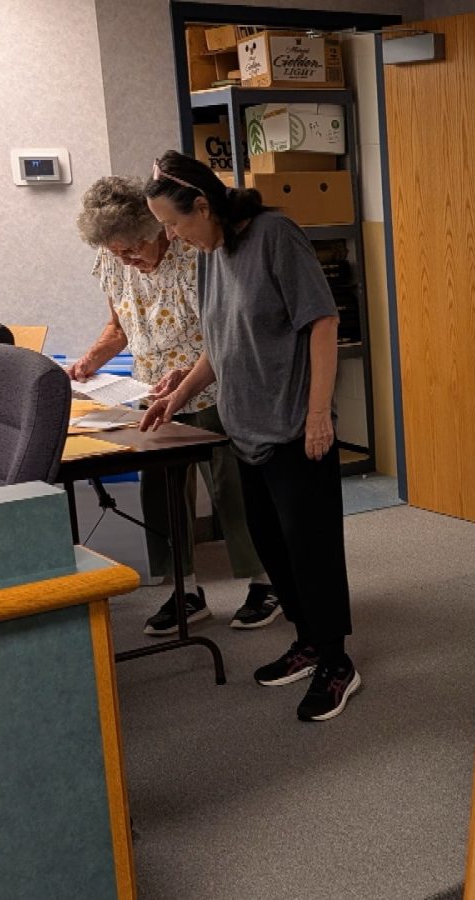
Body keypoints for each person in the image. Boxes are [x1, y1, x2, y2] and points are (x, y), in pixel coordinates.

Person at [139, 151, 359, 722]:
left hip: (294, 427)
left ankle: (337, 661)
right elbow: (220, 345)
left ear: (202, 205)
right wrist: (178, 396)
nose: (171, 236)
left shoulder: (275, 235)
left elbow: (323, 322)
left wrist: (318, 414)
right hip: (245, 429)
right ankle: (307, 641)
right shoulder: (211, 254)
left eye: (173, 223)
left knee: (311, 551)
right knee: (273, 547)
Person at [74, 176, 283, 636]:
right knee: (162, 493)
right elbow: (119, 326)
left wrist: (186, 378)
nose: (126, 259)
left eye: (133, 248)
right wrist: (88, 363)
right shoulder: (113, 260)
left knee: (233, 489)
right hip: (151, 393)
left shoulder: (196, 256)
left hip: (213, 386)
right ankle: (185, 590)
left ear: (157, 227)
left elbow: (228, 330)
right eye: (116, 252)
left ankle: (265, 584)